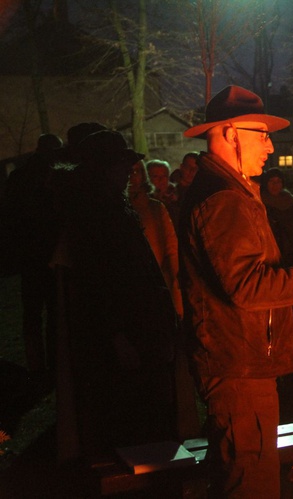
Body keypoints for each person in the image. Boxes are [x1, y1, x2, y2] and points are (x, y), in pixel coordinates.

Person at [179, 85, 293, 498]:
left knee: (246, 470)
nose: (271, 148)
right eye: (262, 135)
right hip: (237, 366)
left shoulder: (232, 192)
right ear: (230, 133)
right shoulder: (223, 199)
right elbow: (246, 286)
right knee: (249, 480)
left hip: (243, 359)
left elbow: (253, 277)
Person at [52, 130, 180, 461]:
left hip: (137, 331)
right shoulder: (96, 213)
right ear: (103, 168)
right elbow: (99, 281)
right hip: (128, 338)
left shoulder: (110, 206)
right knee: (135, 424)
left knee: (144, 420)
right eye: (121, 165)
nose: (128, 172)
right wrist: (118, 336)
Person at [0, 134, 63, 382]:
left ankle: (37, 364)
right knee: (53, 309)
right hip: (48, 251)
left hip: (30, 253)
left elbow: (10, 217)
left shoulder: (20, 177)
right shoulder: (53, 177)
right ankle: (54, 363)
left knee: (33, 312)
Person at [127, 159, 183, 317]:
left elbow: (172, 248)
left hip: (157, 283)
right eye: (129, 171)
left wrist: (176, 286)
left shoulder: (156, 209)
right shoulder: (113, 210)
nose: (132, 176)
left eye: (137, 171)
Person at [261, 167, 293, 267]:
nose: (275, 185)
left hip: (290, 250)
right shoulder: (260, 201)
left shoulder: (288, 200)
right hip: (269, 250)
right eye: (272, 181)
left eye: (278, 181)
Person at [146, 159, 179, 223]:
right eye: (155, 176)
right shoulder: (145, 199)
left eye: (164, 176)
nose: (161, 179)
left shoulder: (178, 197)